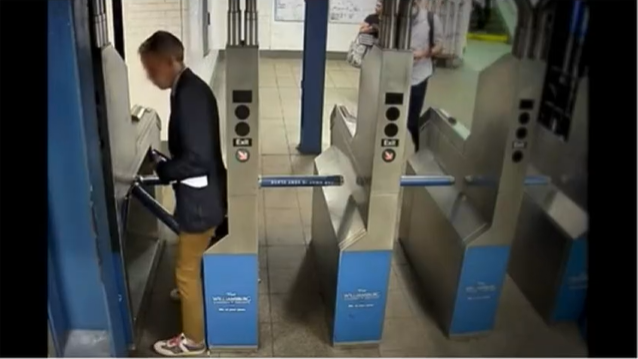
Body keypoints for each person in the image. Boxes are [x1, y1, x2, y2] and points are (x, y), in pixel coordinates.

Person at [138, 30, 227, 357]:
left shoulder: (189, 95)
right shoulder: (187, 88)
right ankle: (190, 299)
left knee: (185, 272)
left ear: (169, 61)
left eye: (151, 68)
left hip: (200, 203)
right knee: (189, 263)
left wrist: (165, 170)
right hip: (206, 196)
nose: (149, 76)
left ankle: (193, 341)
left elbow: (197, 159)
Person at [407, 0, 443, 152]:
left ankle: (413, 152)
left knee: (411, 120)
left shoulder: (431, 19)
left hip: (419, 75)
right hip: (396, 73)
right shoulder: (397, 19)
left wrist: (423, 54)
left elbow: (439, 46)